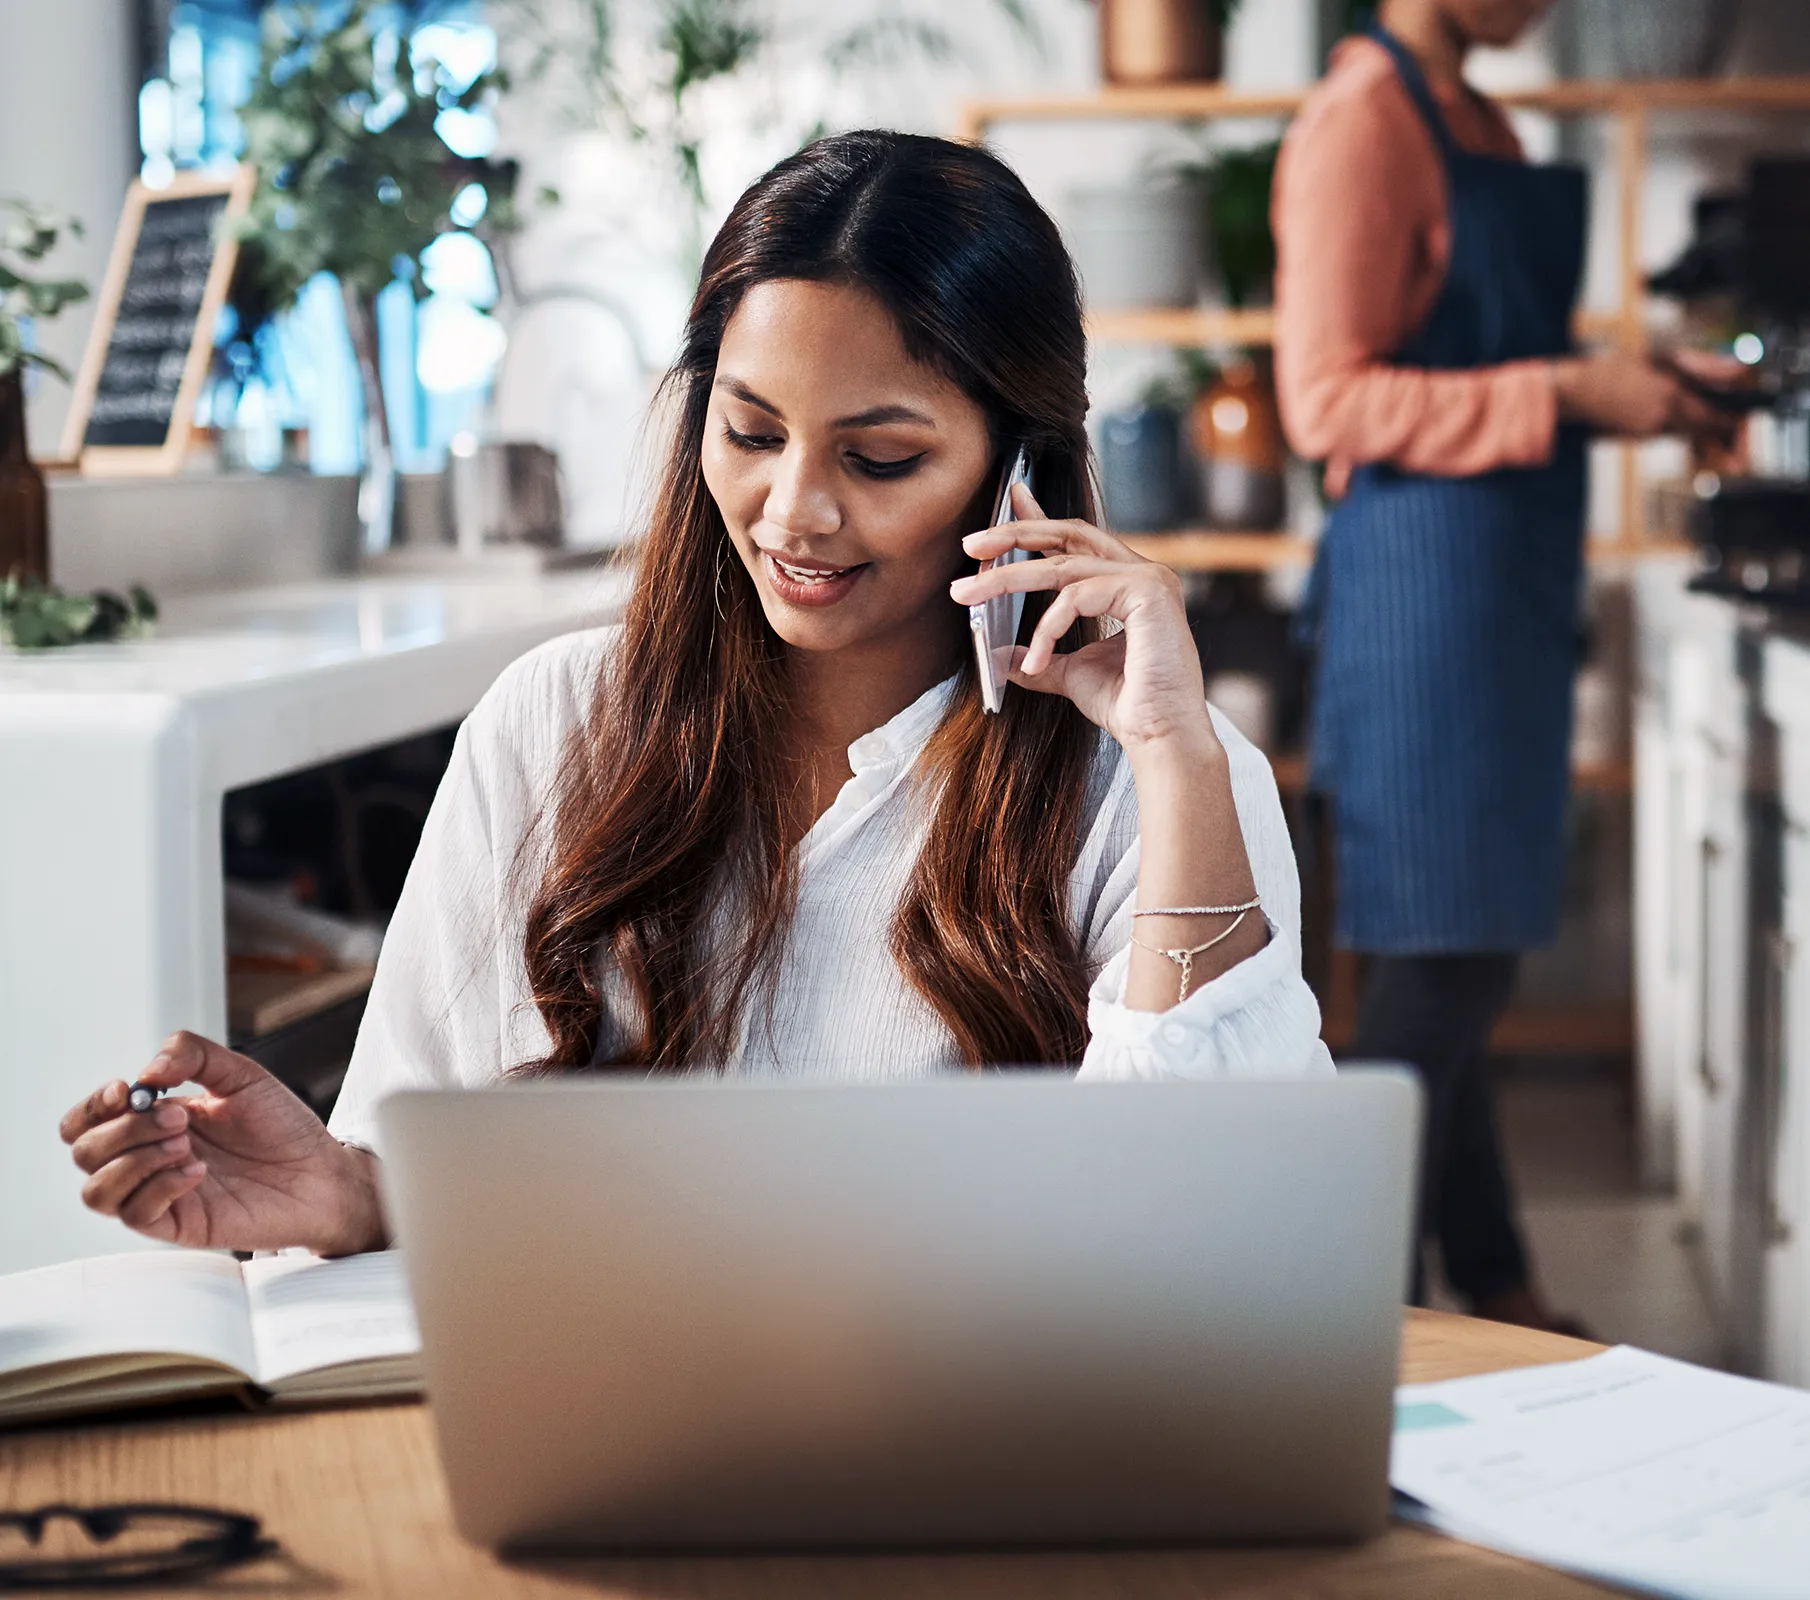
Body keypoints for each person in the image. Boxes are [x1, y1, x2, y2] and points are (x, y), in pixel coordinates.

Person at [60, 132, 1333, 1258]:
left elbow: (1215, 1228)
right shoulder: (554, 722)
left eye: (880, 457)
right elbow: (428, 1156)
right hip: (600, 1432)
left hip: (979, 1457)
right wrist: (348, 1194)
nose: (795, 513)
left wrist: (1171, 753)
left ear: (1017, 473)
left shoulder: (1151, 779)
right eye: (751, 431)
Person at [1273, 0, 1735, 1326]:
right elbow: (1326, 400)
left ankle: (1491, 1282)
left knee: (1457, 955)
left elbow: (1469, 355)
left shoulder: (1472, 112)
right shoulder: (1360, 121)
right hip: (1422, 596)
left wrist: (1627, 381)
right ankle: (1352, 1325)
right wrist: (1571, 394)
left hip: (1493, 590)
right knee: (1440, 969)